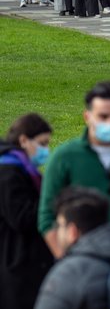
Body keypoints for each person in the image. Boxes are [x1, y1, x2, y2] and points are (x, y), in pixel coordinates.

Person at [38, 82, 110, 257]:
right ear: (88, 117)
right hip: (81, 261)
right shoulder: (65, 157)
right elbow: (46, 217)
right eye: (103, 117)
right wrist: (63, 259)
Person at [0, 114, 54, 308]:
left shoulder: (20, 167)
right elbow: (22, 218)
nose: (45, 150)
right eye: (42, 143)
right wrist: (54, 201)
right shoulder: (8, 172)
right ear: (23, 140)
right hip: (16, 263)